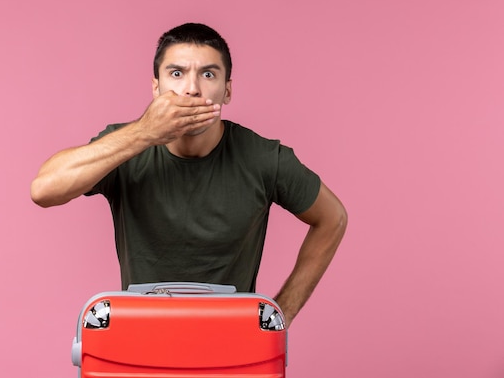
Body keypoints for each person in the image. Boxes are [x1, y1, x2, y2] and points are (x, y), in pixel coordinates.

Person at [30, 23, 347, 328]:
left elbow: (333, 218)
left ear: (227, 91)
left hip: (233, 345)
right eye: (176, 73)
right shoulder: (125, 145)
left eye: (208, 74)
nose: (192, 89)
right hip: (140, 340)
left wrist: (282, 313)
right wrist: (143, 132)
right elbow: (44, 190)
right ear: (156, 88)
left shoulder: (263, 158)